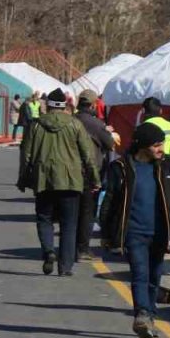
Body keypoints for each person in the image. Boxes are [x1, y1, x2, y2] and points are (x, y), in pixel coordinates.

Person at [100, 123, 170, 338]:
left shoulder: (168, 165)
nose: (161, 149)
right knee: (140, 273)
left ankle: (150, 316)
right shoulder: (120, 167)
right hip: (133, 231)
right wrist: (107, 233)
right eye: (157, 145)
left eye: (162, 144)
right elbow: (109, 201)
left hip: (161, 231)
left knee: (155, 276)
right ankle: (142, 314)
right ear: (142, 145)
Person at [19, 88, 99, 277]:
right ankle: (65, 267)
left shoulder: (36, 125)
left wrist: (23, 179)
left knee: (44, 218)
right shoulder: (75, 124)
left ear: (47, 105)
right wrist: (94, 178)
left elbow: (26, 154)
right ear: (64, 105)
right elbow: (88, 155)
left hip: (43, 179)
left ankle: (49, 251)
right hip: (71, 181)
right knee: (69, 224)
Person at [74, 89, 116, 261]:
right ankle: (82, 248)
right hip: (90, 173)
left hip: (70, 172)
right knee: (87, 212)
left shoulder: (72, 120)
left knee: (72, 212)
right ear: (92, 104)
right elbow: (110, 143)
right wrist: (108, 131)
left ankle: (70, 247)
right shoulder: (95, 124)